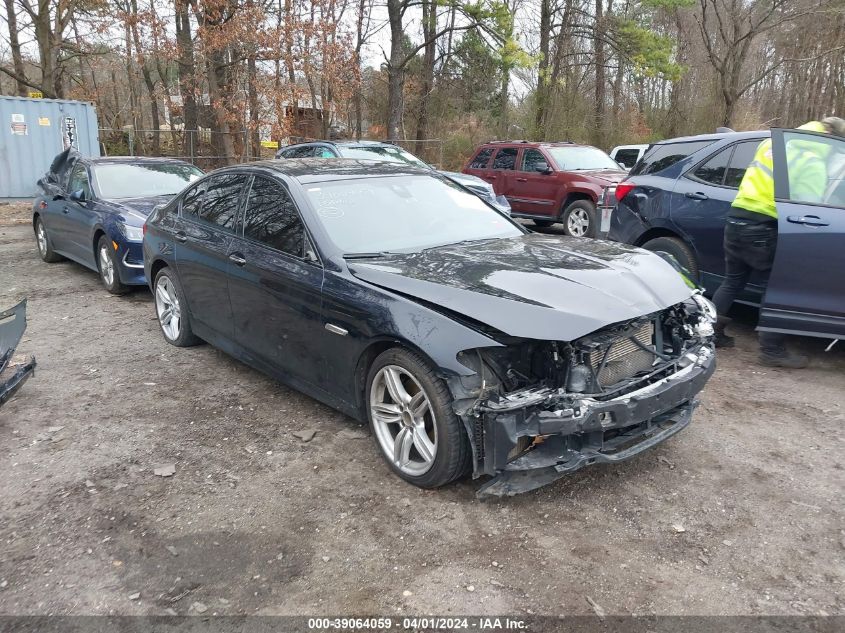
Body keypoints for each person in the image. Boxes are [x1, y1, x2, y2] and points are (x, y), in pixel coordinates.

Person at [712, 117, 845, 368]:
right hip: (764, 225)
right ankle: (771, 350)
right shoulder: (812, 162)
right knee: (774, 288)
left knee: (732, 281)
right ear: (830, 139)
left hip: (737, 217)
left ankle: (711, 334)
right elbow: (811, 207)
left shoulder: (770, 144)